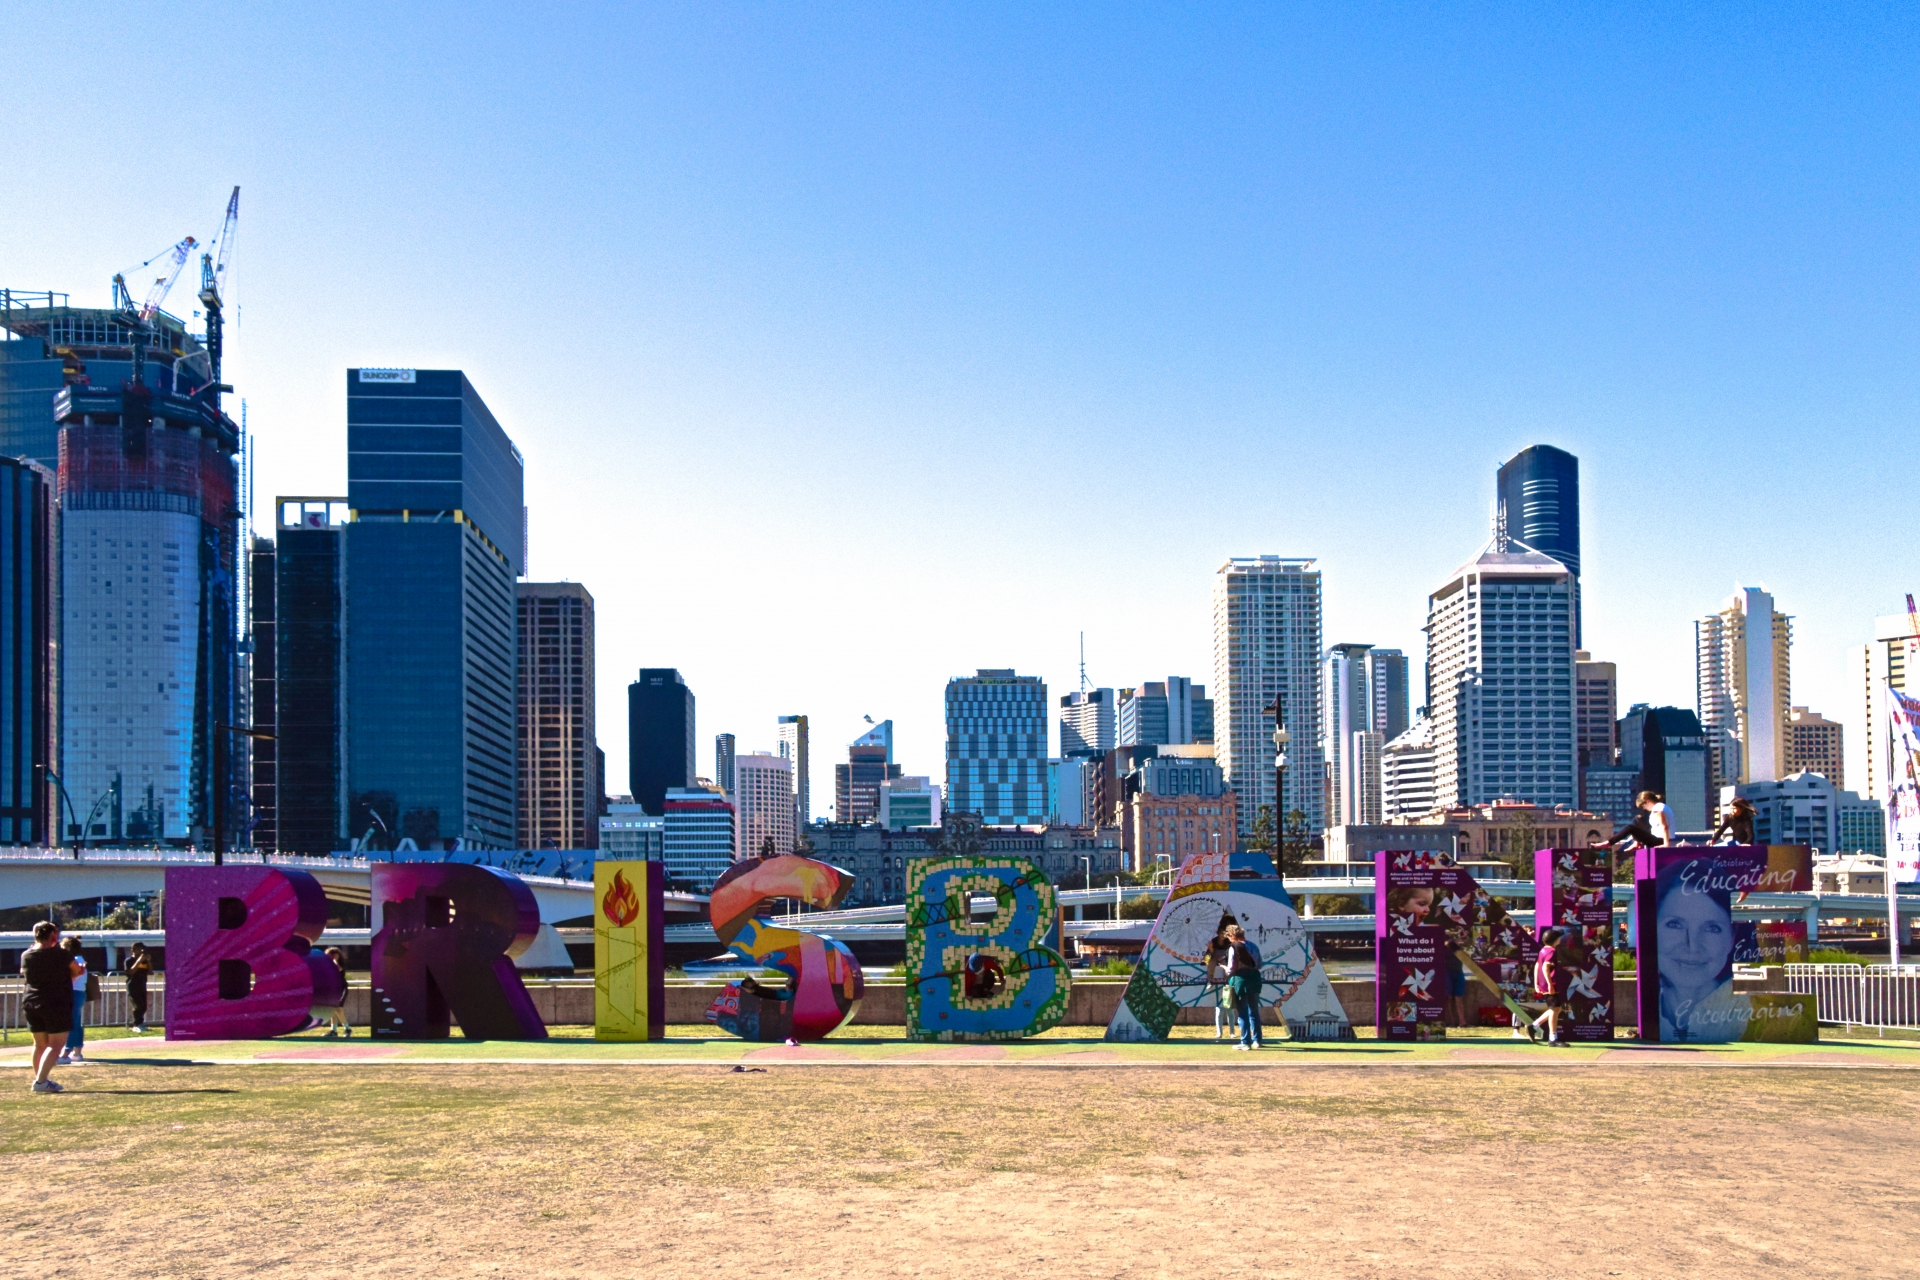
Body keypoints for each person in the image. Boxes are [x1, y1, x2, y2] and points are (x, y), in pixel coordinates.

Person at [1654, 861, 1743, 1041]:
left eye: (1712, 928)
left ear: (1731, 938)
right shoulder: (1649, 1011)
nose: (1692, 946)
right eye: (1675, 925)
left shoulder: (1761, 1016)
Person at [21, 922, 81, 1093]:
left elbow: (24, 972)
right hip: (55, 1002)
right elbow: (76, 971)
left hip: (31, 1002)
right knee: (55, 1044)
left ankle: (41, 1078)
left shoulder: (27, 955)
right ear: (53, 935)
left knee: (39, 1044)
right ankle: (41, 1081)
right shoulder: (61, 954)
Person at [1222, 924, 1263, 1050]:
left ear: (1232, 935)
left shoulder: (1233, 947)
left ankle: (1245, 1042)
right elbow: (1260, 964)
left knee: (1242, 1013)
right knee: (1254, 1011)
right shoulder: (1253, 946)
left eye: (1228, 936)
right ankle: (1257, 1040)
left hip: (1241, 980)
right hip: (1255, 979)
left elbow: (1231, 968)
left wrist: (1223, 968)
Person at [1528, 928, 1569, 1045]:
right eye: (1558, 937)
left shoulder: (1543, 950)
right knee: (1555, 1009)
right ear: (1555, 940)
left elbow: (1537, 966)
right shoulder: (1552, 951)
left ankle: (1534, 1026)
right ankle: (1552, 1038)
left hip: (1543, 983)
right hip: (1550, 983)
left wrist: (1536, 983)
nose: (1560, 939)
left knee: (1556, 1008)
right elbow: (1545, 967)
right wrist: (1550, 984)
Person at [58, 935, 88, 1065]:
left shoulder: (73, 961)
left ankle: (65, 1054)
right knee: (76, 1023)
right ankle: (77, 1052)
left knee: (70, 1024)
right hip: (80, 992)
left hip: (73, 993)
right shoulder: (81, 959)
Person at [1205, 933, 1234, 1040]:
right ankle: (1210, 980)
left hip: (1224, 960)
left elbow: (1229, 955)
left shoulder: (1228, 944)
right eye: (1221, 933)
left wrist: (1223, 960)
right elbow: (1208, 957)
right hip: (1215, 960)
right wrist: (1211, 949)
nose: (1223, 936)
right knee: (1219, 1010)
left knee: (1229, 1010)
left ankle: (1232, 1032)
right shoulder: (1214, 942)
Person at [124, 942, 153, 1034]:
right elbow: (130, 972)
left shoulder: (144, 961)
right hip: (133, 985)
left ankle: (140, 1023)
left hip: (142, 985)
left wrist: (148, 961)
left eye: (142, 949)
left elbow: (150, 972)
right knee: (137, 1006)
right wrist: (139, 961)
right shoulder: (128, 960)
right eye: (139, 949)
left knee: (143, 1006)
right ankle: (136, 1025)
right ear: (133, 950)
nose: (141, 951)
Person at [323, 947, 352, 1038]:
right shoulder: (329, 965)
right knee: (332, 1010)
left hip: (342, 988)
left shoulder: (340, 964)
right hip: (334, 989)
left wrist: (335, 960)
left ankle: (347, 1029)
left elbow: (338, 969)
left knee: (338, 1008)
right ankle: (333, 1031)